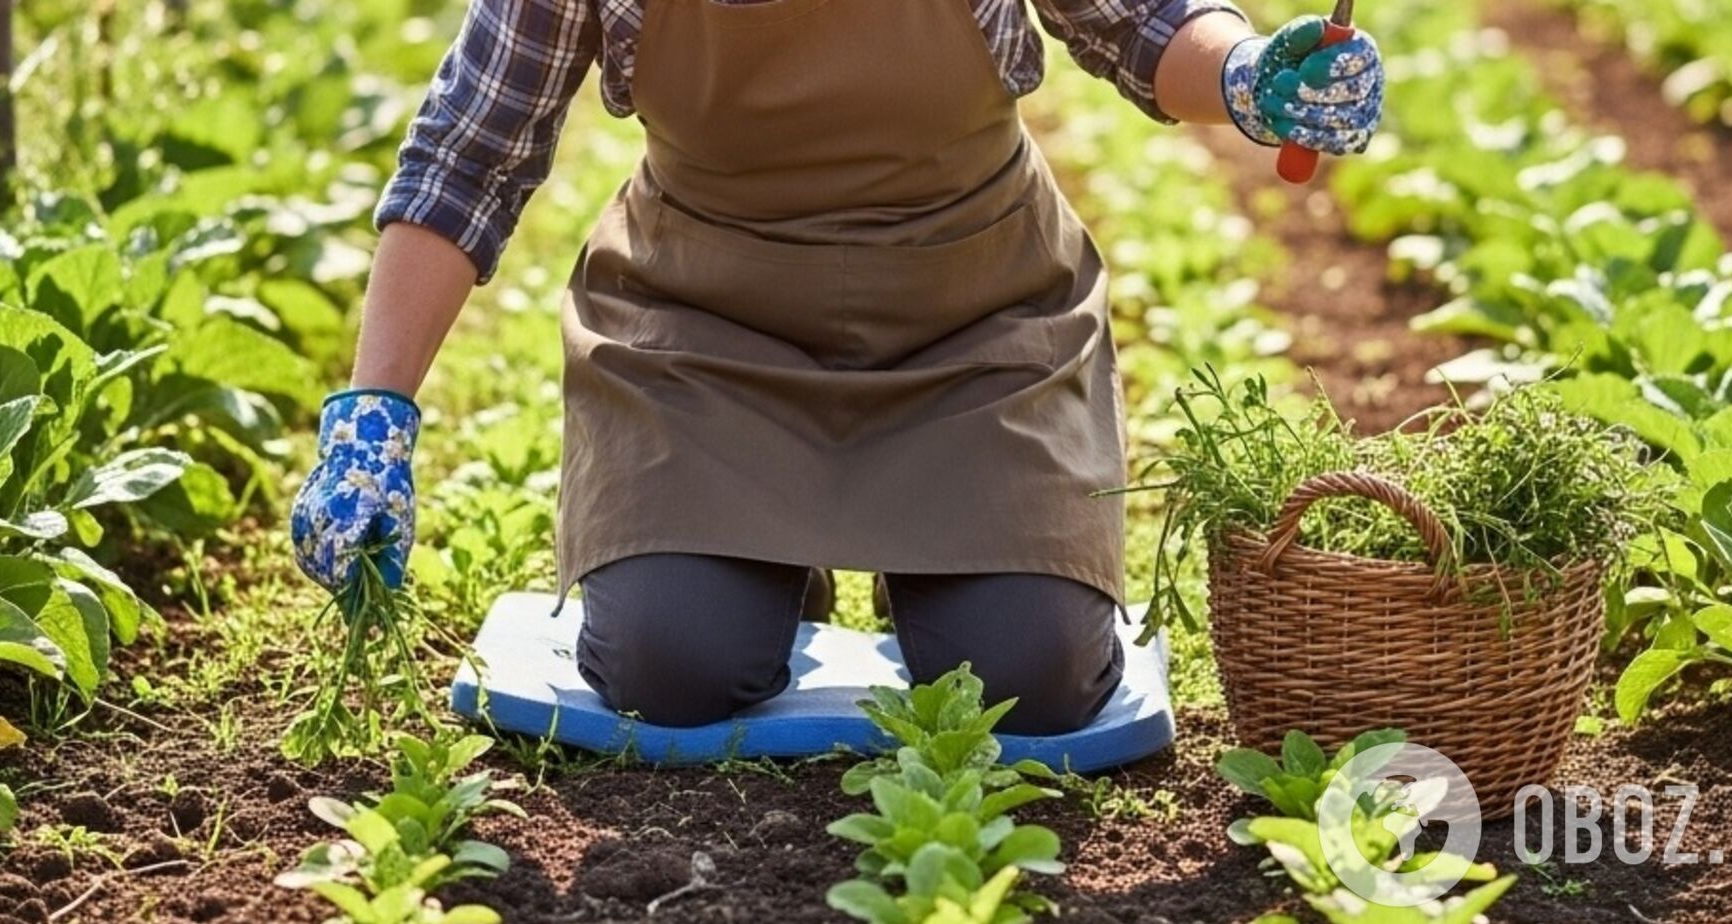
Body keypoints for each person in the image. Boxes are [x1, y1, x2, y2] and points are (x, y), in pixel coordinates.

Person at [291, 0, 1384, 735]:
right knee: (671, 666)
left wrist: (1245, 73)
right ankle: (756, 565)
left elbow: (1144, 25)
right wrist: (375, 409)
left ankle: (886, 559)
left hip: (976, 328)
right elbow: (470, 153)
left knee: (1028, 678)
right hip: (705, 334)